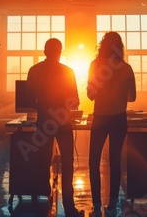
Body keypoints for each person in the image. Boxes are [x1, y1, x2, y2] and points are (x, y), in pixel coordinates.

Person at [26, 38, 84, 217]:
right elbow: (75, 100)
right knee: (67, 163)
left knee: (41, 161)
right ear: (60, 51)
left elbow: (28, 99)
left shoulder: (34, 70)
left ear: (45, 51)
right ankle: (69, 206)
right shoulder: (68, 71)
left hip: (44, 122)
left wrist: (44, 107)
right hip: (64, 123)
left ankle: (41, 200)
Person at [87, 31, 136, 216]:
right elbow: (132, 98)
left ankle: (96, 204)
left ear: (103, 46)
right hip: (119, 118)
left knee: (94, 161)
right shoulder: (126, 68)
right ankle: (113, 203)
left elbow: (91, 95)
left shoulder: (95, 65)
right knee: (115, 161)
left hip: (100, 117)